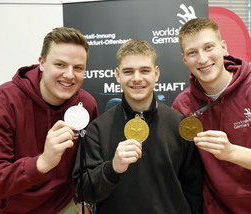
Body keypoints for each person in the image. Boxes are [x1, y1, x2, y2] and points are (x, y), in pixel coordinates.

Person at [172, 17, 251, 213]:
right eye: (192, 53)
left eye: (208, 47)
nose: (203, 59)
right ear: (184, 59)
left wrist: (232, 153)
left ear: (223, 47)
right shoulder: (182, 105)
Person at [73, 39, 203, 214]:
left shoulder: (178, 125)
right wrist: (112, 168)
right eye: (128, 71)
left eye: (144, 70)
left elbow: (194, 189)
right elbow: (85, 191)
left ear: (156, 74)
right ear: (118, 75)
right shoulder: (97, 129)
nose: (136, 78)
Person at [0, 27, 98, 213]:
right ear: (41, 63)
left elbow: (86, 165)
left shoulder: (86, 104)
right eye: (60, 65)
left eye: (78, 68)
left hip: (62, 204)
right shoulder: (4, 101)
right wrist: (41, 163)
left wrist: (83, 202)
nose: (69, 75)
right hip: (12, 208)